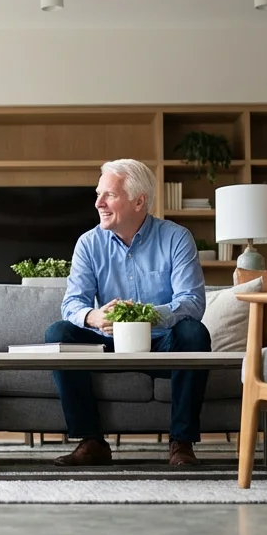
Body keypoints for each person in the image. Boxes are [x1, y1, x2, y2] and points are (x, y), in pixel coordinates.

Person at [46, 159, 210, 467]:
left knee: (194, 332)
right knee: (58, 333)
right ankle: (92, 442)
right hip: (108, 342)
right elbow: (72, 304)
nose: (98, 203)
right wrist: (94, 317)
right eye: (98, 194)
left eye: (109, 195)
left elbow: (191, 302)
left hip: (163, 344)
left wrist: (145, 316)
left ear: (139, 201)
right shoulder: (89, 243)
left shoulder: (176, 238)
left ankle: (182, 443)